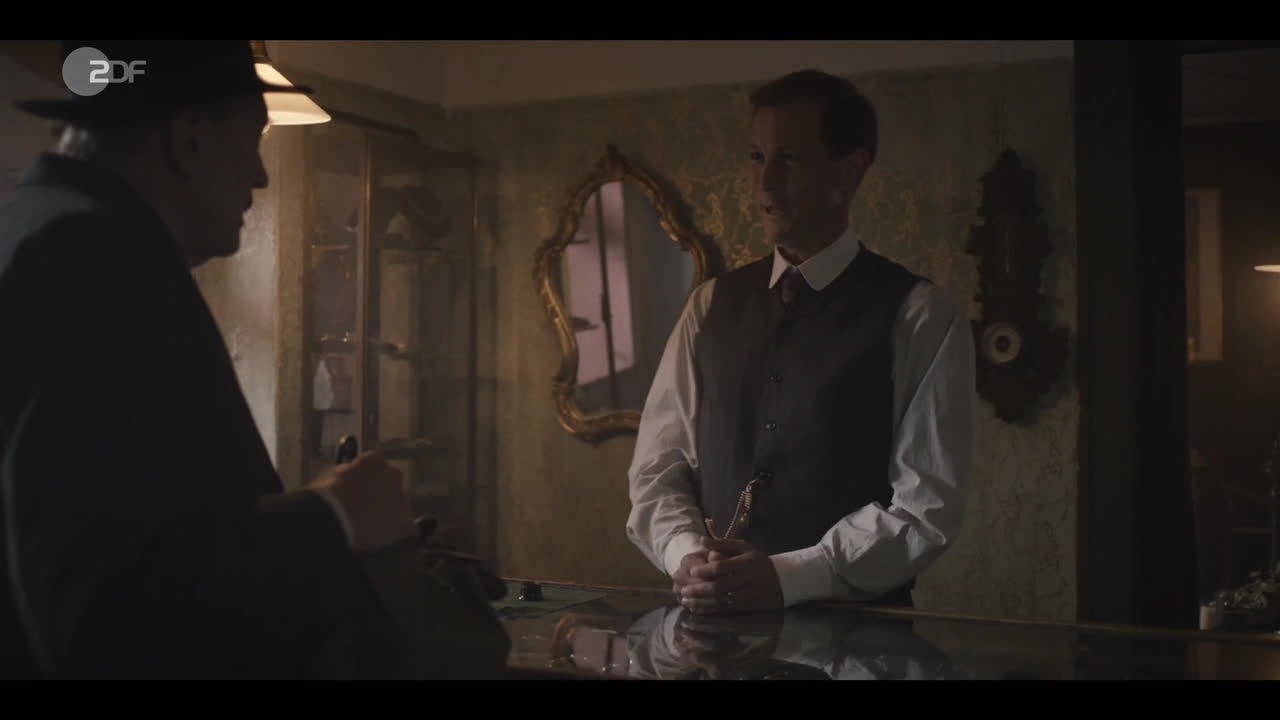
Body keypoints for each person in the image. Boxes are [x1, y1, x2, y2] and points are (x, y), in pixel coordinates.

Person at [0, 41, 424, 679]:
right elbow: (110, 612)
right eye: (254, 139)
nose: (260, 176)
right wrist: (337, 515)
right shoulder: (92, 254)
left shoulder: (32, 230)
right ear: (190, 139)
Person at [626, 69, 975, 615]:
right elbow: (657, 468)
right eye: (756, 156)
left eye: (788, 158)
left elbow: (925, 507)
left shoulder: (919, 315)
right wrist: (685, 555)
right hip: (714, 633)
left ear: (851, 169)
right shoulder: (709, 306)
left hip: (859, 641)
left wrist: (790, 576)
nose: (764, 183)